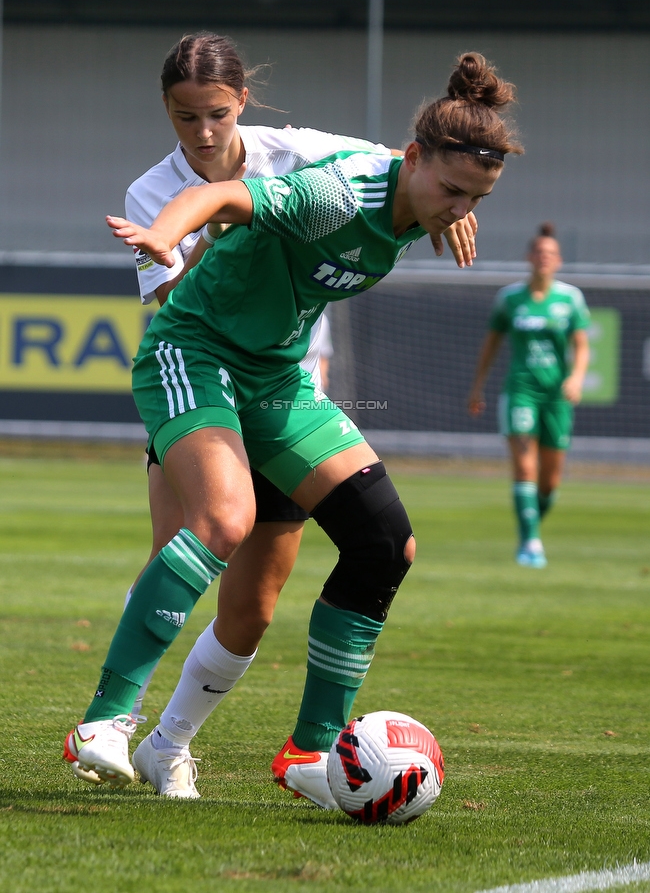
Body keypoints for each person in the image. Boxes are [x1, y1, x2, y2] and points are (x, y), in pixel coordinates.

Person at [65, 51, 519, 810]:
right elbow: (220, 197)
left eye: (473, 198)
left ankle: (313, 750)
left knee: (384, 544)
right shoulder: (332, 197)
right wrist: (162, 237)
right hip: (196, 351)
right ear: (414, 161)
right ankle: (107, 720)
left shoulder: (418, 188)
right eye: (449, 189)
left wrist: (453, 198)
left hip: (277, 378)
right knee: (221, 521)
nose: (455, 208)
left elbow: (425, 172)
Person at [468, 223, 590, 569]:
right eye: (538, 252)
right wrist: (478, 386)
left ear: (559, 261)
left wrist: (577, 378)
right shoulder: (510, 298)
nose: (543, 258)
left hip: (556, 396)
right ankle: (530, 543)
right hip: (520, 391)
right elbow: (491, 345)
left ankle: (532, 525)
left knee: (549, 482)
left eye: (550, 254)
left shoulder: (570, 298)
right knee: (524, 466)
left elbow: (581, 346)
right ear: (529, 257)